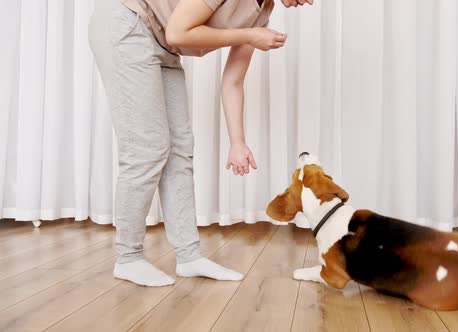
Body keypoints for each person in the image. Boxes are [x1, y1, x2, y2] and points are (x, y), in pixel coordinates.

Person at [89, 0, 313, 287]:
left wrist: (238, 142)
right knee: (147, 150)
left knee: (180, 150)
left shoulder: (263, 12)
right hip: (127, 23)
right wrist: (247, 35)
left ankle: (188, 256)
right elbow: (178, 33)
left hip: (162, 43)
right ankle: (128, 257)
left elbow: (233, 81)